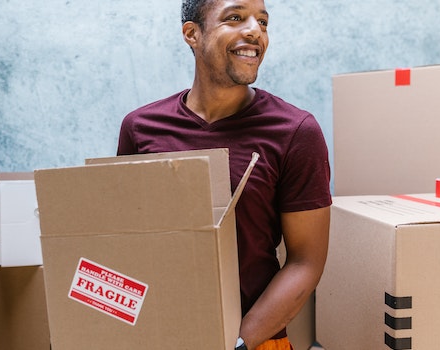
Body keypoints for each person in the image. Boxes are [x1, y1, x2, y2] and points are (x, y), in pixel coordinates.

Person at [116, 0, 331, 349]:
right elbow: (125, 243)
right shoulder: (141, 129)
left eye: (262, 22)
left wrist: (238, 342)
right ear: (192, 34)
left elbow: (306, 261)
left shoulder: (295, 131)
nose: (254, 30)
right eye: (235, 17)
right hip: (161, 336)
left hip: (254, 340)